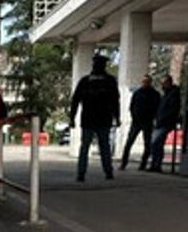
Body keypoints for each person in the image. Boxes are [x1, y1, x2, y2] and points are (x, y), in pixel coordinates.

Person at [69, 51, 121, 182]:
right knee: (103, 147)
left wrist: (72, 118)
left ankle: (82, 173)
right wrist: (117, 117)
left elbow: (75, 100)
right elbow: (115, 101)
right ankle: (107, 172)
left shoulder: (86, 81)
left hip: (90, 119)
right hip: (101, 119)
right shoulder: (109, 81)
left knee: (87, 147)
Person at [121, 75, 161, 171]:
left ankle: (143, 164)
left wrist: (153, 117)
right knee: (129, 142)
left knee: (147, 144)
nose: (145, 83)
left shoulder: (154, 94)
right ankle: (124, 163)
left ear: (150, 82)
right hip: (136, 122)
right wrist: (134, 116)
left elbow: (157, 108)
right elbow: (132, 106)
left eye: (147, 81)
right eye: (144, 81)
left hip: (147, 122)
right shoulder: (138, 93)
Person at [148, 74, 181, 172]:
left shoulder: (173, 95)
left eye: (164, 83)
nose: (162, 85)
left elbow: (172, 109)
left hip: (165, 123)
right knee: (157, 144)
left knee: (156, 142)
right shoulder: (166, 95)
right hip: (161, 122)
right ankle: (155, 164)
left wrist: (163, 119)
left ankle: (156, 164)